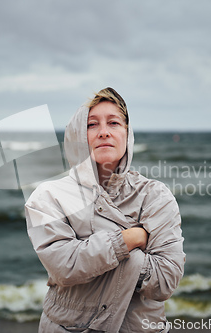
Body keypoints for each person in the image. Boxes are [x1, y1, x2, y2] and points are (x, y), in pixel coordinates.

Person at [25, 87, 185, 332]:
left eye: (113, 123)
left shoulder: (156, 195)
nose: (103, 132)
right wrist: (130, 238)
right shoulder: (49, 197)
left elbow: (165, 281)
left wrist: (95, 254)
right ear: (78, 135)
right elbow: (65, 267)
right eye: (92, 125)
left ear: (127, 134)